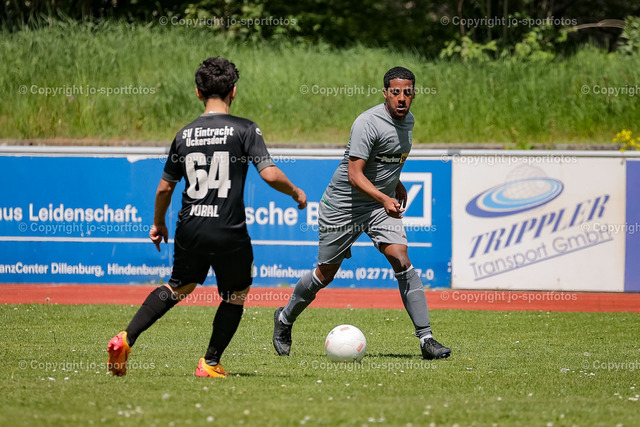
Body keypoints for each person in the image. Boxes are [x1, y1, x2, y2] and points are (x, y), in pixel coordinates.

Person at [107, 57, 307, 377]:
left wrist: (158, 223)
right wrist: (296, 192)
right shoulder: (245, 128)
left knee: (178, 286)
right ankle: (210, 363)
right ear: (234, 91)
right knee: (235, 295)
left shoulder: (184, 135)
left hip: (190, 226)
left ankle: (127, 337)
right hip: (228, 229)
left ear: (198, 92)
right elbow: (269, 174)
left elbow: (164, 188)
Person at [273, 67, 450, 360]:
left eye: (407, 92)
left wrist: (396, 183)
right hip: (343, 207)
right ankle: (284, 318)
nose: (402, 98)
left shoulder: (409, 121)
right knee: (325, 273)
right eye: (396, 92)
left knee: (402, 260)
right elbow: (355, 175)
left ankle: (426, 339)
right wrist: (385, 197)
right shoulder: (367, 123)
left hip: (377, 207)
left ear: (414, 94)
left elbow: (389, 159)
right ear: (385, 93)